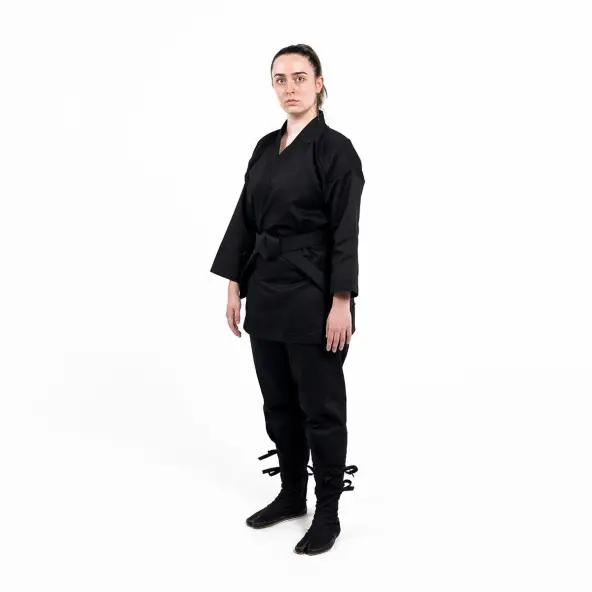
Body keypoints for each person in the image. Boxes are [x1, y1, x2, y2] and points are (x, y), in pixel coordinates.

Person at [210, 44, 365, 555]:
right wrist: (234, 282)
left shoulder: (336, 150)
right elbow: (245, 216)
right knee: (278, 404)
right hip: (266, 288)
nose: (289, 87)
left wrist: (341, 300)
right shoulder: (264, 147)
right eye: (280, 78)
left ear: (319, 83)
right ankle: (292, 494)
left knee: (320, 408)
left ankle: (328, 512)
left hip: (314, 292)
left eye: (300, 77)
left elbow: (345, 232)